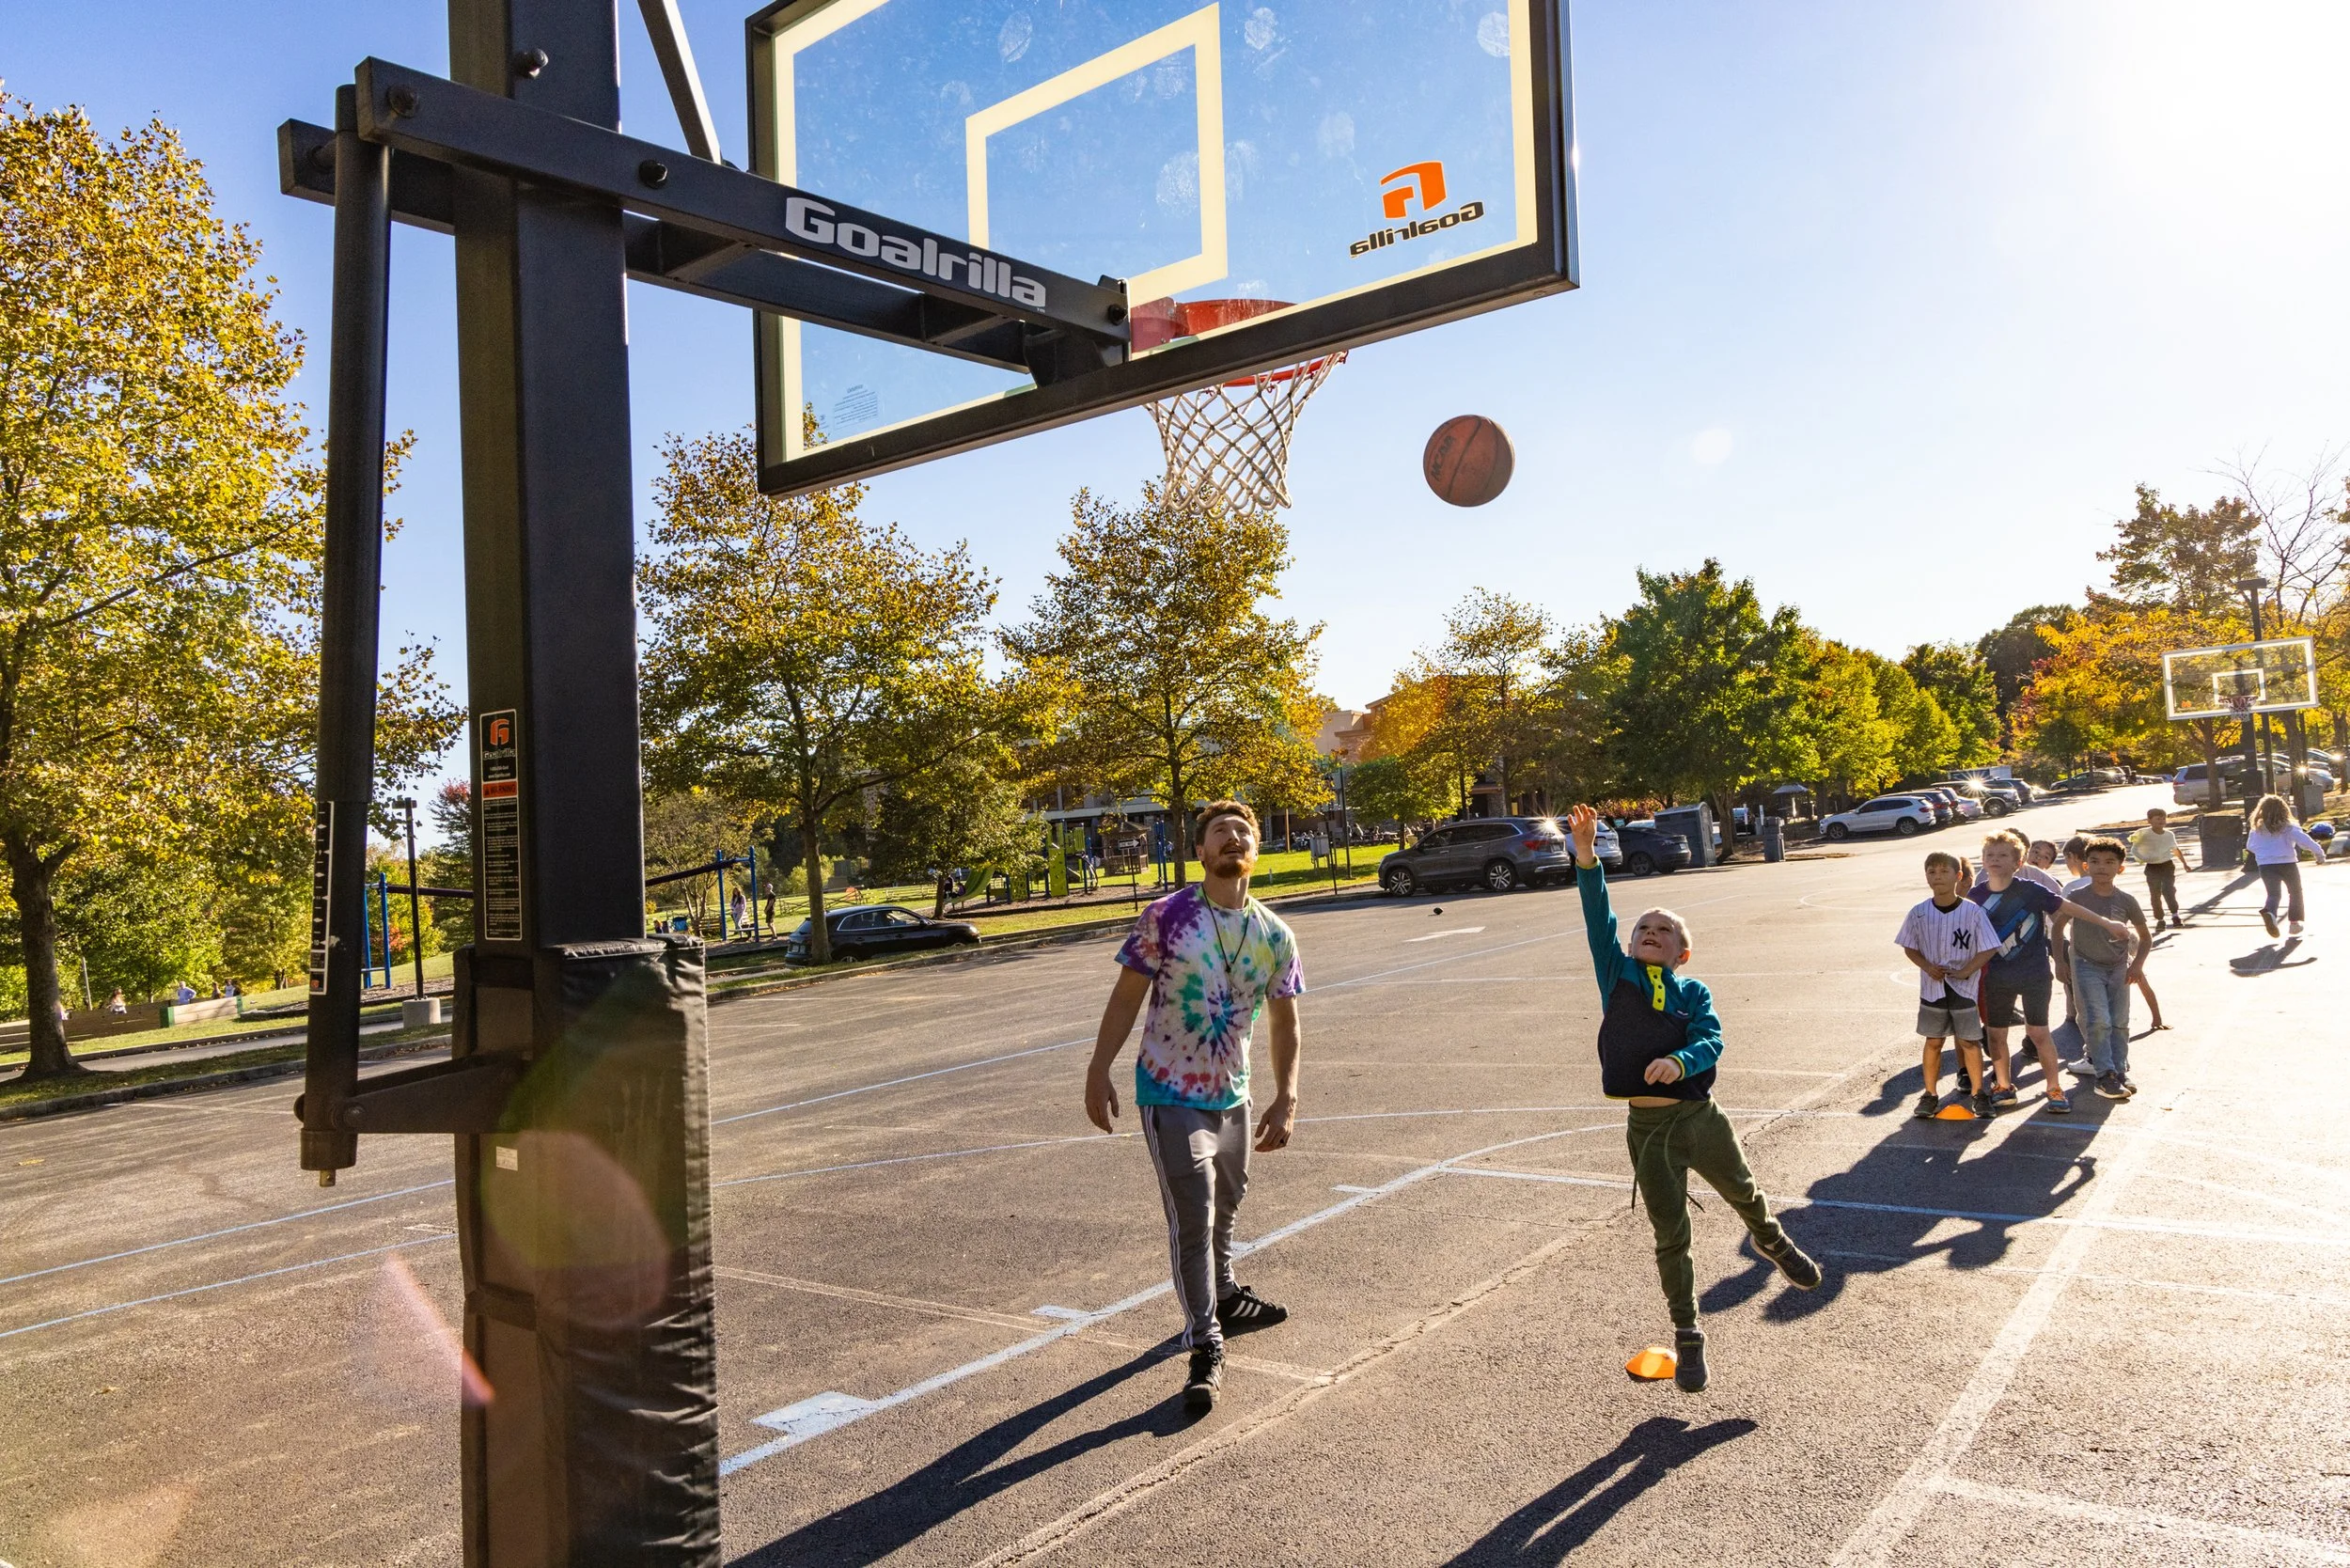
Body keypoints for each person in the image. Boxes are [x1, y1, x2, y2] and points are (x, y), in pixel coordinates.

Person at [1566, 804, 1819, 1394]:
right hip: (1646, 1130)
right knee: (1669, 1233)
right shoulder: (1619, 977)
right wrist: (1586, 857)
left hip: (1700, 1119)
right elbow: (1597, 917)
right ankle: (1688, 1335)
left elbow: (1712, 1039)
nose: (1651, 932)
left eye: (1665, 930)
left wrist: (1681, 1060)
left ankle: (1773, 1240)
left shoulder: (1693, 991)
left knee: (1743, 1193)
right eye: (1643, 929)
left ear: (1683, 951)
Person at [1084, 799, 1304, 1415]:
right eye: (1219, 832)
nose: (1232, 838)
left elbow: (1286, 1024)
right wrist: (1098, 1069)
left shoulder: (1274, 935)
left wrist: (1286, 1096)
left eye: (1243, 831)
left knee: (1228, 1202)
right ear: (1200, 852)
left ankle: (1227, 1296)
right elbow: (1127, 997)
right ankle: (1204, 1342)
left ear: (1256, 850)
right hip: (1169, 1093)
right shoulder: (1168, 917)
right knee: (1196, 1216)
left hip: (1233, 1095)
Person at [1968, 831, 2132, 1113]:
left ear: (2018, 862)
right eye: (1990, 856)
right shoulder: (1975, 896)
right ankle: (2003, 1086)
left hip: (2034, 973)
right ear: (1983, 861)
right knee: (1996, 1035)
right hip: (1996, 976)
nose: (1995, 860)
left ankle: (2054, 1088)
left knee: (2038, 1032)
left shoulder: (2031, 890)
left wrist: (2106, 923)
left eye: (2003, 855)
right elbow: (1961, 931)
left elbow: (2069, 908)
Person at [1899, 851, 2007, 1118]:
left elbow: (1989, 947)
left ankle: (1978, 1094)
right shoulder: (1919, 913)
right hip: (1933, 990)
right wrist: (1927, 966)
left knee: (1969, 1041)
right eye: (1932, 872)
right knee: (1933, 1041)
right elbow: (1909, 947)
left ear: (1958, 876)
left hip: (1964, 988)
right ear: (1926, 877)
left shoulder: (1972, 912)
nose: (1938, 877)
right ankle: (1929, 1095)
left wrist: (1967, 970)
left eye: (1944, 872)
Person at [2056, 836, 2154, 1100]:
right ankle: (2104, 1075)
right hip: (2086, 966)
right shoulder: (2077, 896)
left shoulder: (2126, 901)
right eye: (2095, 861)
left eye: (2110, 862)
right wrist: (2060, 962)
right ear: (2085, 865)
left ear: (2120, 868)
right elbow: (2057, 928)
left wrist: (2138, 966)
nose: (2102, 867)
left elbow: (2146, 938)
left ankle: (2120, 1070)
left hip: (2119, 968)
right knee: (2099, 1020)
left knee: (2120, 1021)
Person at [2247, 792, 2324, 938]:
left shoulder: (2256, 829)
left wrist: (2264, 853)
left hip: (2266, 865)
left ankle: (2270, 913)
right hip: (2287, 863)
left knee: (2273, 894)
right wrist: (2319, 854)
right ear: (2284, 809)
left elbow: (2250, 846)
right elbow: (2306, 842)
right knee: (2295, 892)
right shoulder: (2289, 827)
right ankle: (2294, 923)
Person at [2130, 808, 2185, 929]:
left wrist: (2184, 864)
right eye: (2158, 819)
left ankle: (2175, 915)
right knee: (2155, 893)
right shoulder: (2145, 834)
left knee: (2169, 890)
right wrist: (2144, 858)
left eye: (2164, 818)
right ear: (2149, 820)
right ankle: (2160, 918)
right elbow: (2134, 849)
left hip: (2167, 866)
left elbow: (2175, 849)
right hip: (2152, 867)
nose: (2162, 821)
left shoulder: (2169, 835)